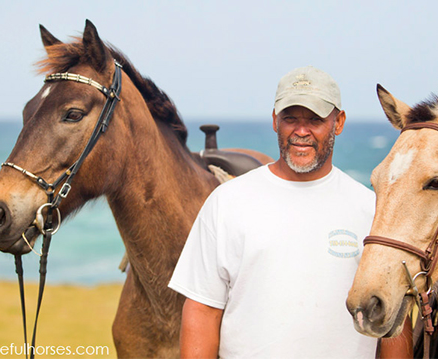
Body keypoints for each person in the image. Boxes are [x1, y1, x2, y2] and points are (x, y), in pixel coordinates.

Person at [168, 66, 412, 358]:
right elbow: (202, 311)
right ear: (274, 120)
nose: (301, 131)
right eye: (290, 118)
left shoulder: (372, 210)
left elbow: (394, 318)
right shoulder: (227, 203)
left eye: (315, 119)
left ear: (339, 122)